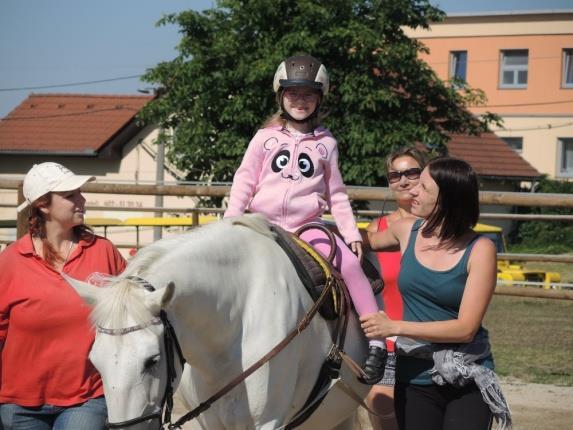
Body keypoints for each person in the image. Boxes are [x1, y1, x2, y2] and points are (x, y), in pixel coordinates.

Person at [224, 54, 386, 383]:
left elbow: (337, 193)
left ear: (320, 98)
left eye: (308, 95)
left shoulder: (327, 144)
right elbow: (244, 182)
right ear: (280, 96)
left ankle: (378, 343)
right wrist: (231, 221)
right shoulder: (263, 138)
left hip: (308, 229)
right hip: (262, 227)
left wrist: (351, 234)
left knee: (353, 266)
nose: (300, 101)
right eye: (293, 94)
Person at [361, 157, 511, 430]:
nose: (412, 191)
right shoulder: (406, 231)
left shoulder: (480, 248)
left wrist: (393, 326)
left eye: (424, 187)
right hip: (414, 376)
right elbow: (356, 242)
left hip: (466, 377)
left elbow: (465, 329)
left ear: (447, 199)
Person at [0, 162, 126, 430]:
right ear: (43, 206)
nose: (82, 199)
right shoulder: (11, 261)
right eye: (70, 196)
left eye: (80, 192)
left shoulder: (103, 252)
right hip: (19, 404)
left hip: (87, 397)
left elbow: (133, 309)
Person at [365, 147, 425, 429]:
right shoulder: (376, 230)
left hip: (429, 337)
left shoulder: (441, 226)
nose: (403, 181)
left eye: (411, 172)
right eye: (394, 175)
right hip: (389, 339)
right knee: (381, 405)